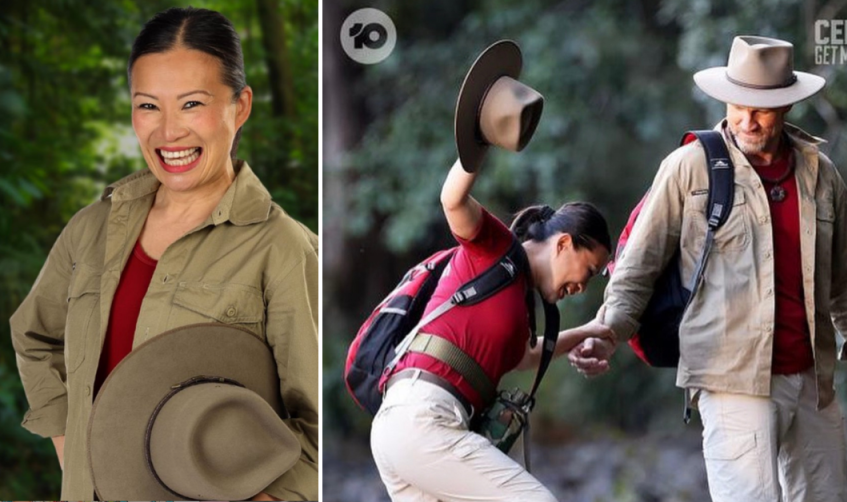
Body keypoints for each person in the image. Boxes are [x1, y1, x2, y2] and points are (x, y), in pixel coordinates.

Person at [568, 36, 847, 502]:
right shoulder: (690, 168)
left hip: (811, 383)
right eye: (738, 105)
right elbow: (636, 270)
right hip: (731, 379)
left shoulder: (821, 175)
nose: (746, 119)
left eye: (761, 110)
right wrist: (607, 333)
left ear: (785, 107)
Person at [9, 7, 317, 501]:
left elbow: (315, 423)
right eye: (148, 106)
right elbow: (34, 336)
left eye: (191, 104)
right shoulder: (91, 229)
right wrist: (73, 446)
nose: (168, 131)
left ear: (240, 107)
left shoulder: (281, 248)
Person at [369, 157, 613, 502]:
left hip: (405, 429)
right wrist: (477, 139)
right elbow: (453, 201)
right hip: (423, 419)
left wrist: (588, 331)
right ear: (563, 244)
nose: (582, 288)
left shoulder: (518, 301)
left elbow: (527, 357)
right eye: (589, 271)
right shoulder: (495, 249)